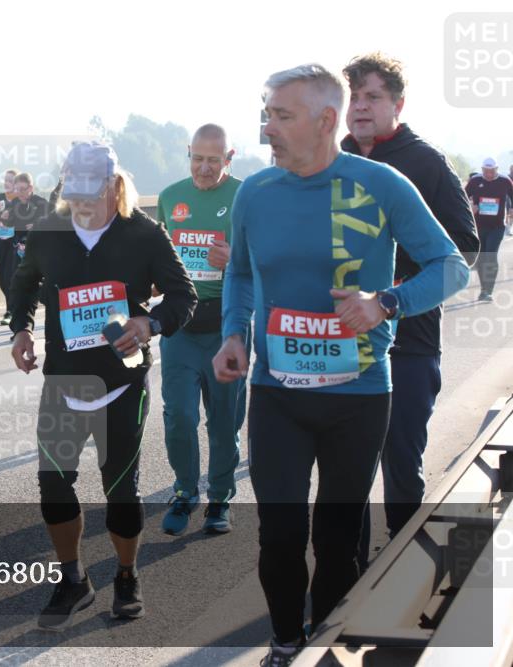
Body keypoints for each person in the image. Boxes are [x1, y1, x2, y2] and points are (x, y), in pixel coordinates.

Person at [213, 65, 469, 665]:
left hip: (358, 396)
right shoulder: (255, 191)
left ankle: (324, 647)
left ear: (325, 121)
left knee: (336, 541)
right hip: (276, 392)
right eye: (266, 112)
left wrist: (386, 304)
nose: (265, 127)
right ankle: (283, 643)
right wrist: (234, 335)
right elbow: (242, 273)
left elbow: (450, 265)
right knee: (278, 534)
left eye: (281, 115)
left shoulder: (381, 184)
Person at [10, 142, 197, 630]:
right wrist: (22, 328)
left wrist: (149, 324)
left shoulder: (144, 234)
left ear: (116, 187)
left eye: (93, 192)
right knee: (52, 485)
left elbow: (183, 295)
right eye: (75, 192)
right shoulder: (49, 233)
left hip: (121, 384)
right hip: (63, 385)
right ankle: (72, 578)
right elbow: (24, 282)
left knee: (120, 491)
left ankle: (126, 574)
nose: (83, 203)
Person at [340, 53, 479, 566]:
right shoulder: (333, 162)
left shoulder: (426, 163)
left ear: (397, 103)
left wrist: (394, 291)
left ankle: (402, 565)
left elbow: (463, 249)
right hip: (343, 345)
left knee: (401, 461)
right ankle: (345, 576)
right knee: (348, 468)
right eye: (353, 97)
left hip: (410, 340)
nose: (361, 107)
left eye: (372, 96)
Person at [156, 123, 247, 536]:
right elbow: (157, 266)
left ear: (229, 158)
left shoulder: (246, 196)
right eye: (198, 158)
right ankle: (185, 491)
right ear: (188, 154)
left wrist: (236, 260)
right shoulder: (170, 198)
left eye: (214, 160)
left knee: (224, 419)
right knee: (179, 416)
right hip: (182, 324)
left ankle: (221, 498)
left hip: (227, 325)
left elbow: (272, 265)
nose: (204, 168)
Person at [465, 157, 513, 301]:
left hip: (497, 227)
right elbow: (459, 198)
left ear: (496, 169)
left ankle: (488, 291)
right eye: (486, 171)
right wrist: (470, 206)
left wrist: (511, 209)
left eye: (492, 171)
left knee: (490, 255)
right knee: (481, 258)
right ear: (482, 170)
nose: (489, 174)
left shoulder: (505, 181)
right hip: (479, 226)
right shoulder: (475, 181)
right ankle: (483, 289)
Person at [0, 169, 19, 325]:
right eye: (5, 180)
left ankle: (10, 311)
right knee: (1, 279)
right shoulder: (0, 197)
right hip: (1, 242)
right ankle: (12, 308)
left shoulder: (20, 200)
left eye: (10, 181)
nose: (7, 183)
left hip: (14, 243)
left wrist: (7, 217)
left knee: (10, 277)